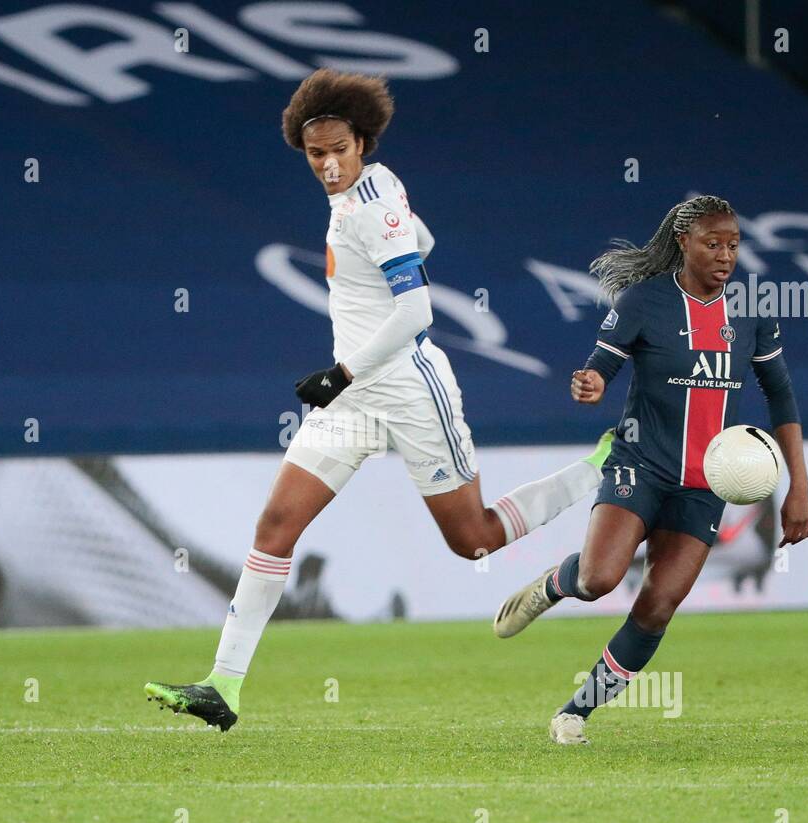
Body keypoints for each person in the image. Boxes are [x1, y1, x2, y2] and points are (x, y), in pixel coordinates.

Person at [144, 68, 611, 731]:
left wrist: (341, 371)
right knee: (277, 526)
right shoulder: (371, 191)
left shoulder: (371, 204)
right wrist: (349, 377)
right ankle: (223, 685)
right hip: (356, 400)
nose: (328, 164)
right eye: (315, 154)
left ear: (362, 141)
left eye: (339, 149)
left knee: (472, 541)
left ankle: (604, 463)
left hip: (409, 391)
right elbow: (421, 244)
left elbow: (417, 310)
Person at [492, 195, 808, 744]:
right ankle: (554, 584)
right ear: (683, 242)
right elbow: (600, 368)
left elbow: (781, 398)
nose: (725, 255)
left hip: (706, 484)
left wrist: (798, 489)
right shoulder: (645, 301)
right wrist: (590, 383)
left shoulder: (753, 313)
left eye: (733, 244)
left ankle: (574, 712)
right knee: (598, 580)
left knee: (658, 606)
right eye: (712, 243)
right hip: (639, 464)